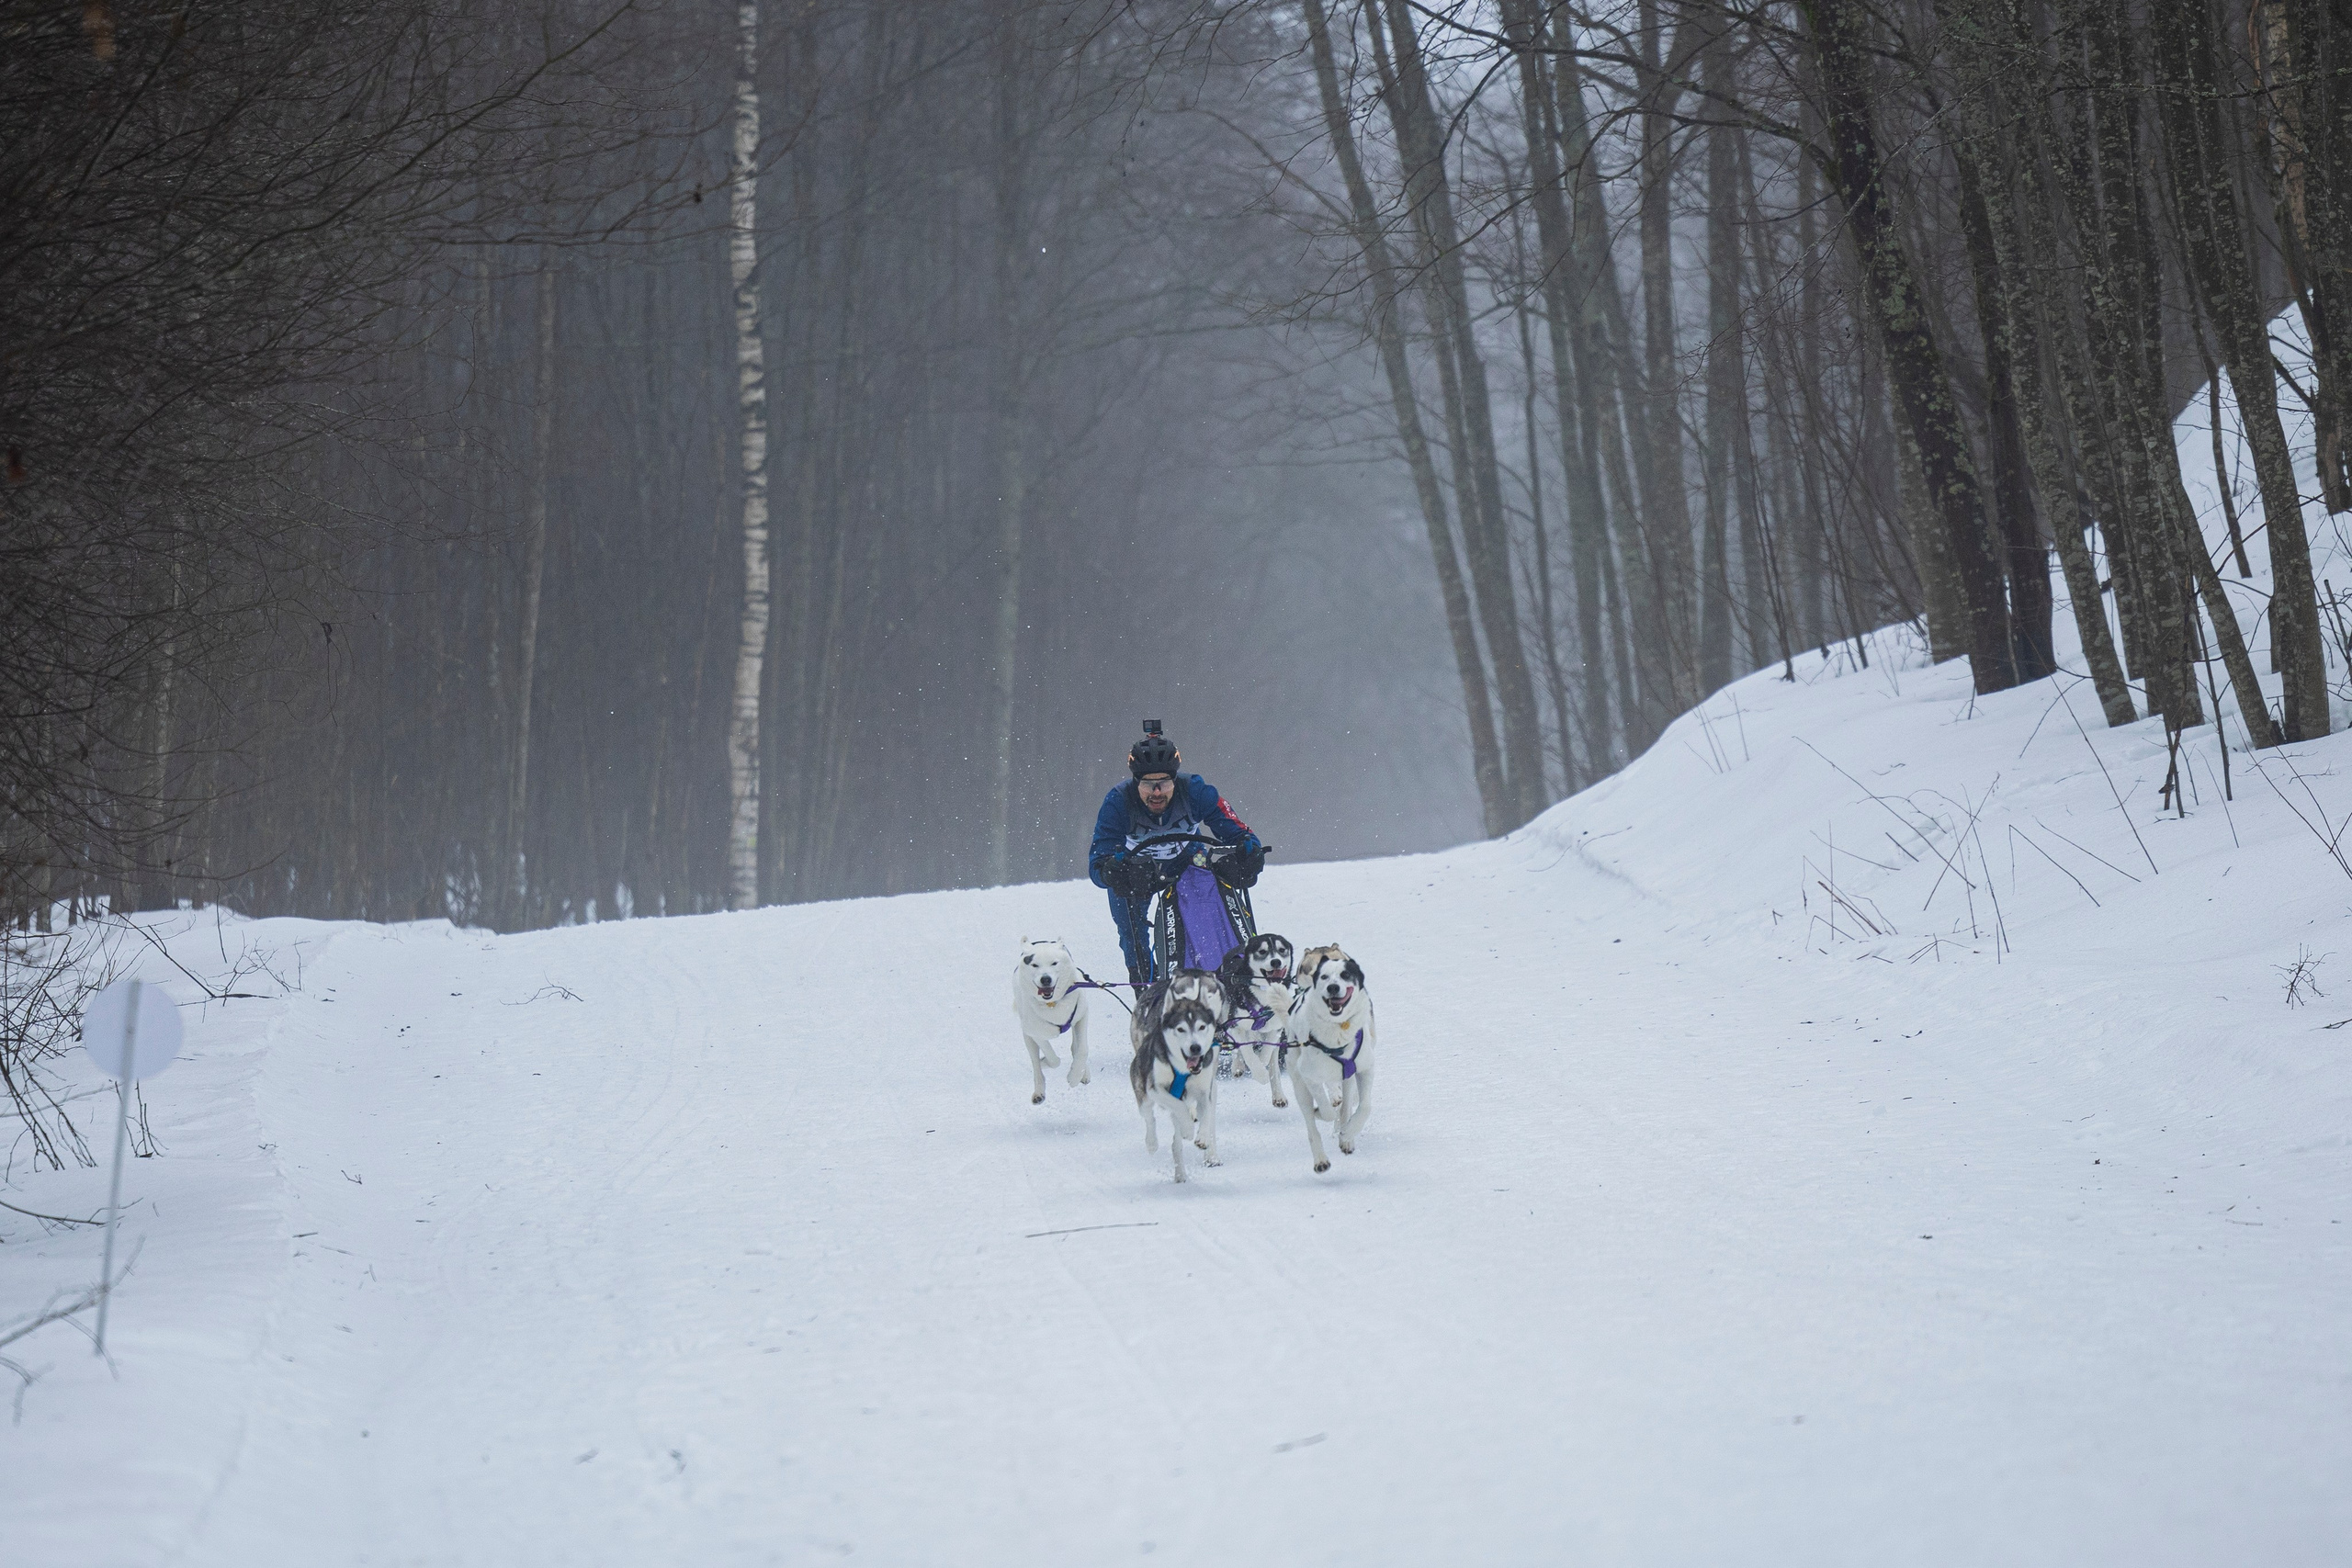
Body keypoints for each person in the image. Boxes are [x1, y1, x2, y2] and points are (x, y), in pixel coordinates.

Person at [1089, 726, 1261, 987]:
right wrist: (1110, 871)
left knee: (1212, 901)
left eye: (1164, 783)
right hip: (1139, 871)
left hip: (1188, 860)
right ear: (1136, 783)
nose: (1157, 792)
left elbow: (1237, 831)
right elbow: (1097, 864)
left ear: (1175, 780)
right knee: (1130, 930)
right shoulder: (1117, 802)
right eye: (1148, 784)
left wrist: (1249, 850)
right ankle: (1147, 987)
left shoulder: (1196, 791)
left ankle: (1228, 973)